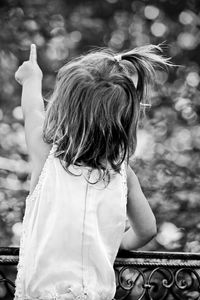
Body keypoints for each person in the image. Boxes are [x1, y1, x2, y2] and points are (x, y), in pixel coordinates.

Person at [14, 43, 172, 300]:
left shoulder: (47, 158)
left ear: (65, 109)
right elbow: (147, 229)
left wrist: (32, 77)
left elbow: (33, 111)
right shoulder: (123, 175)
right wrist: (112, 244)